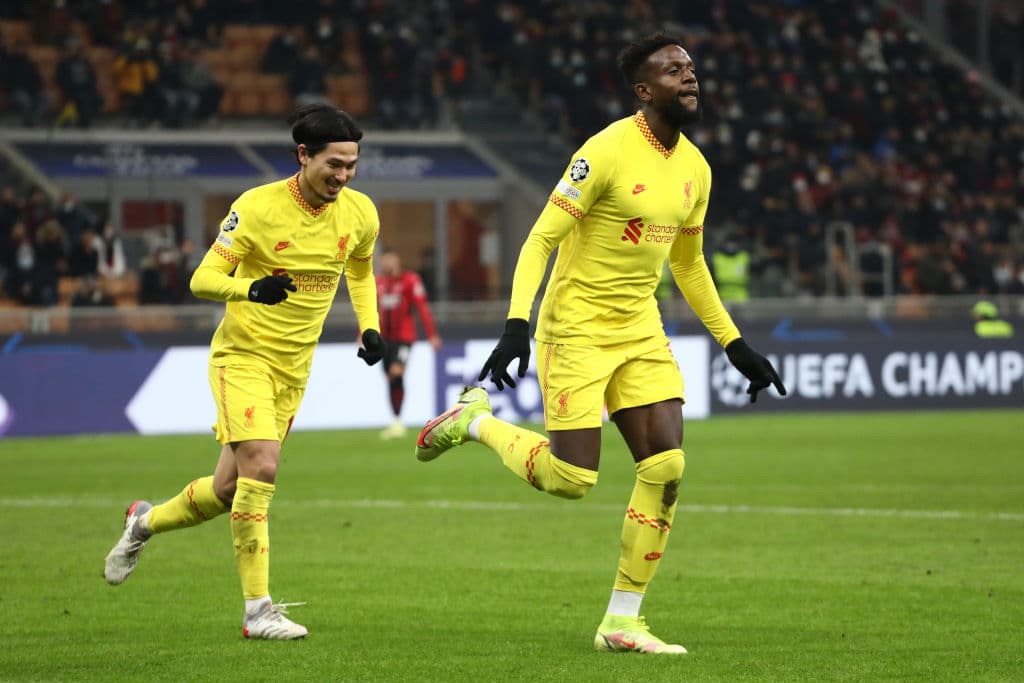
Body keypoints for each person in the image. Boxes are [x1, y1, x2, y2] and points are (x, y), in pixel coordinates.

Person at [414, 33, 785, 655]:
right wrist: (516, 326)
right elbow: (538, 240)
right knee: (571, 479)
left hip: (640, 326)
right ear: (645, 91)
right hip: (577, 327)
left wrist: (734, 343)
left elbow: (689, 267)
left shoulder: (696, 167)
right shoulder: (605, 151)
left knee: (666, 465)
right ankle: (473, 421)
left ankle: (622, 620)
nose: (689, 77)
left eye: (691, 67)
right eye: (673, 71)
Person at [103, 104, 387, 640]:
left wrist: (368, 326)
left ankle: (142, 522)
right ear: (303, 155)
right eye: (334, 164)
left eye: (352, 165)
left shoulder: (361, 213)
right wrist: (249, 288)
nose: (344, 176)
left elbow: (362, 270)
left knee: (230, 490)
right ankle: (258, 612)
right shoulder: (256, 208)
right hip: (243, 358)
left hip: (293, 369)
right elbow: (203, 279)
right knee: (264, 465)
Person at [375, 247, 441, 439]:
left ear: (397, 260)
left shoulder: (410, 281)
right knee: (390, 377)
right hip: (383, 340)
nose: (387, 264)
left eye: (390, 260)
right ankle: (396, 421)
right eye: (384, 260)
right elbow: (371, 310)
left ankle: (397, 422)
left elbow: (422, 308)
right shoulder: (378, 283)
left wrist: (432, 335)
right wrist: (362, 333)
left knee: (397, 372)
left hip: (404, 338)